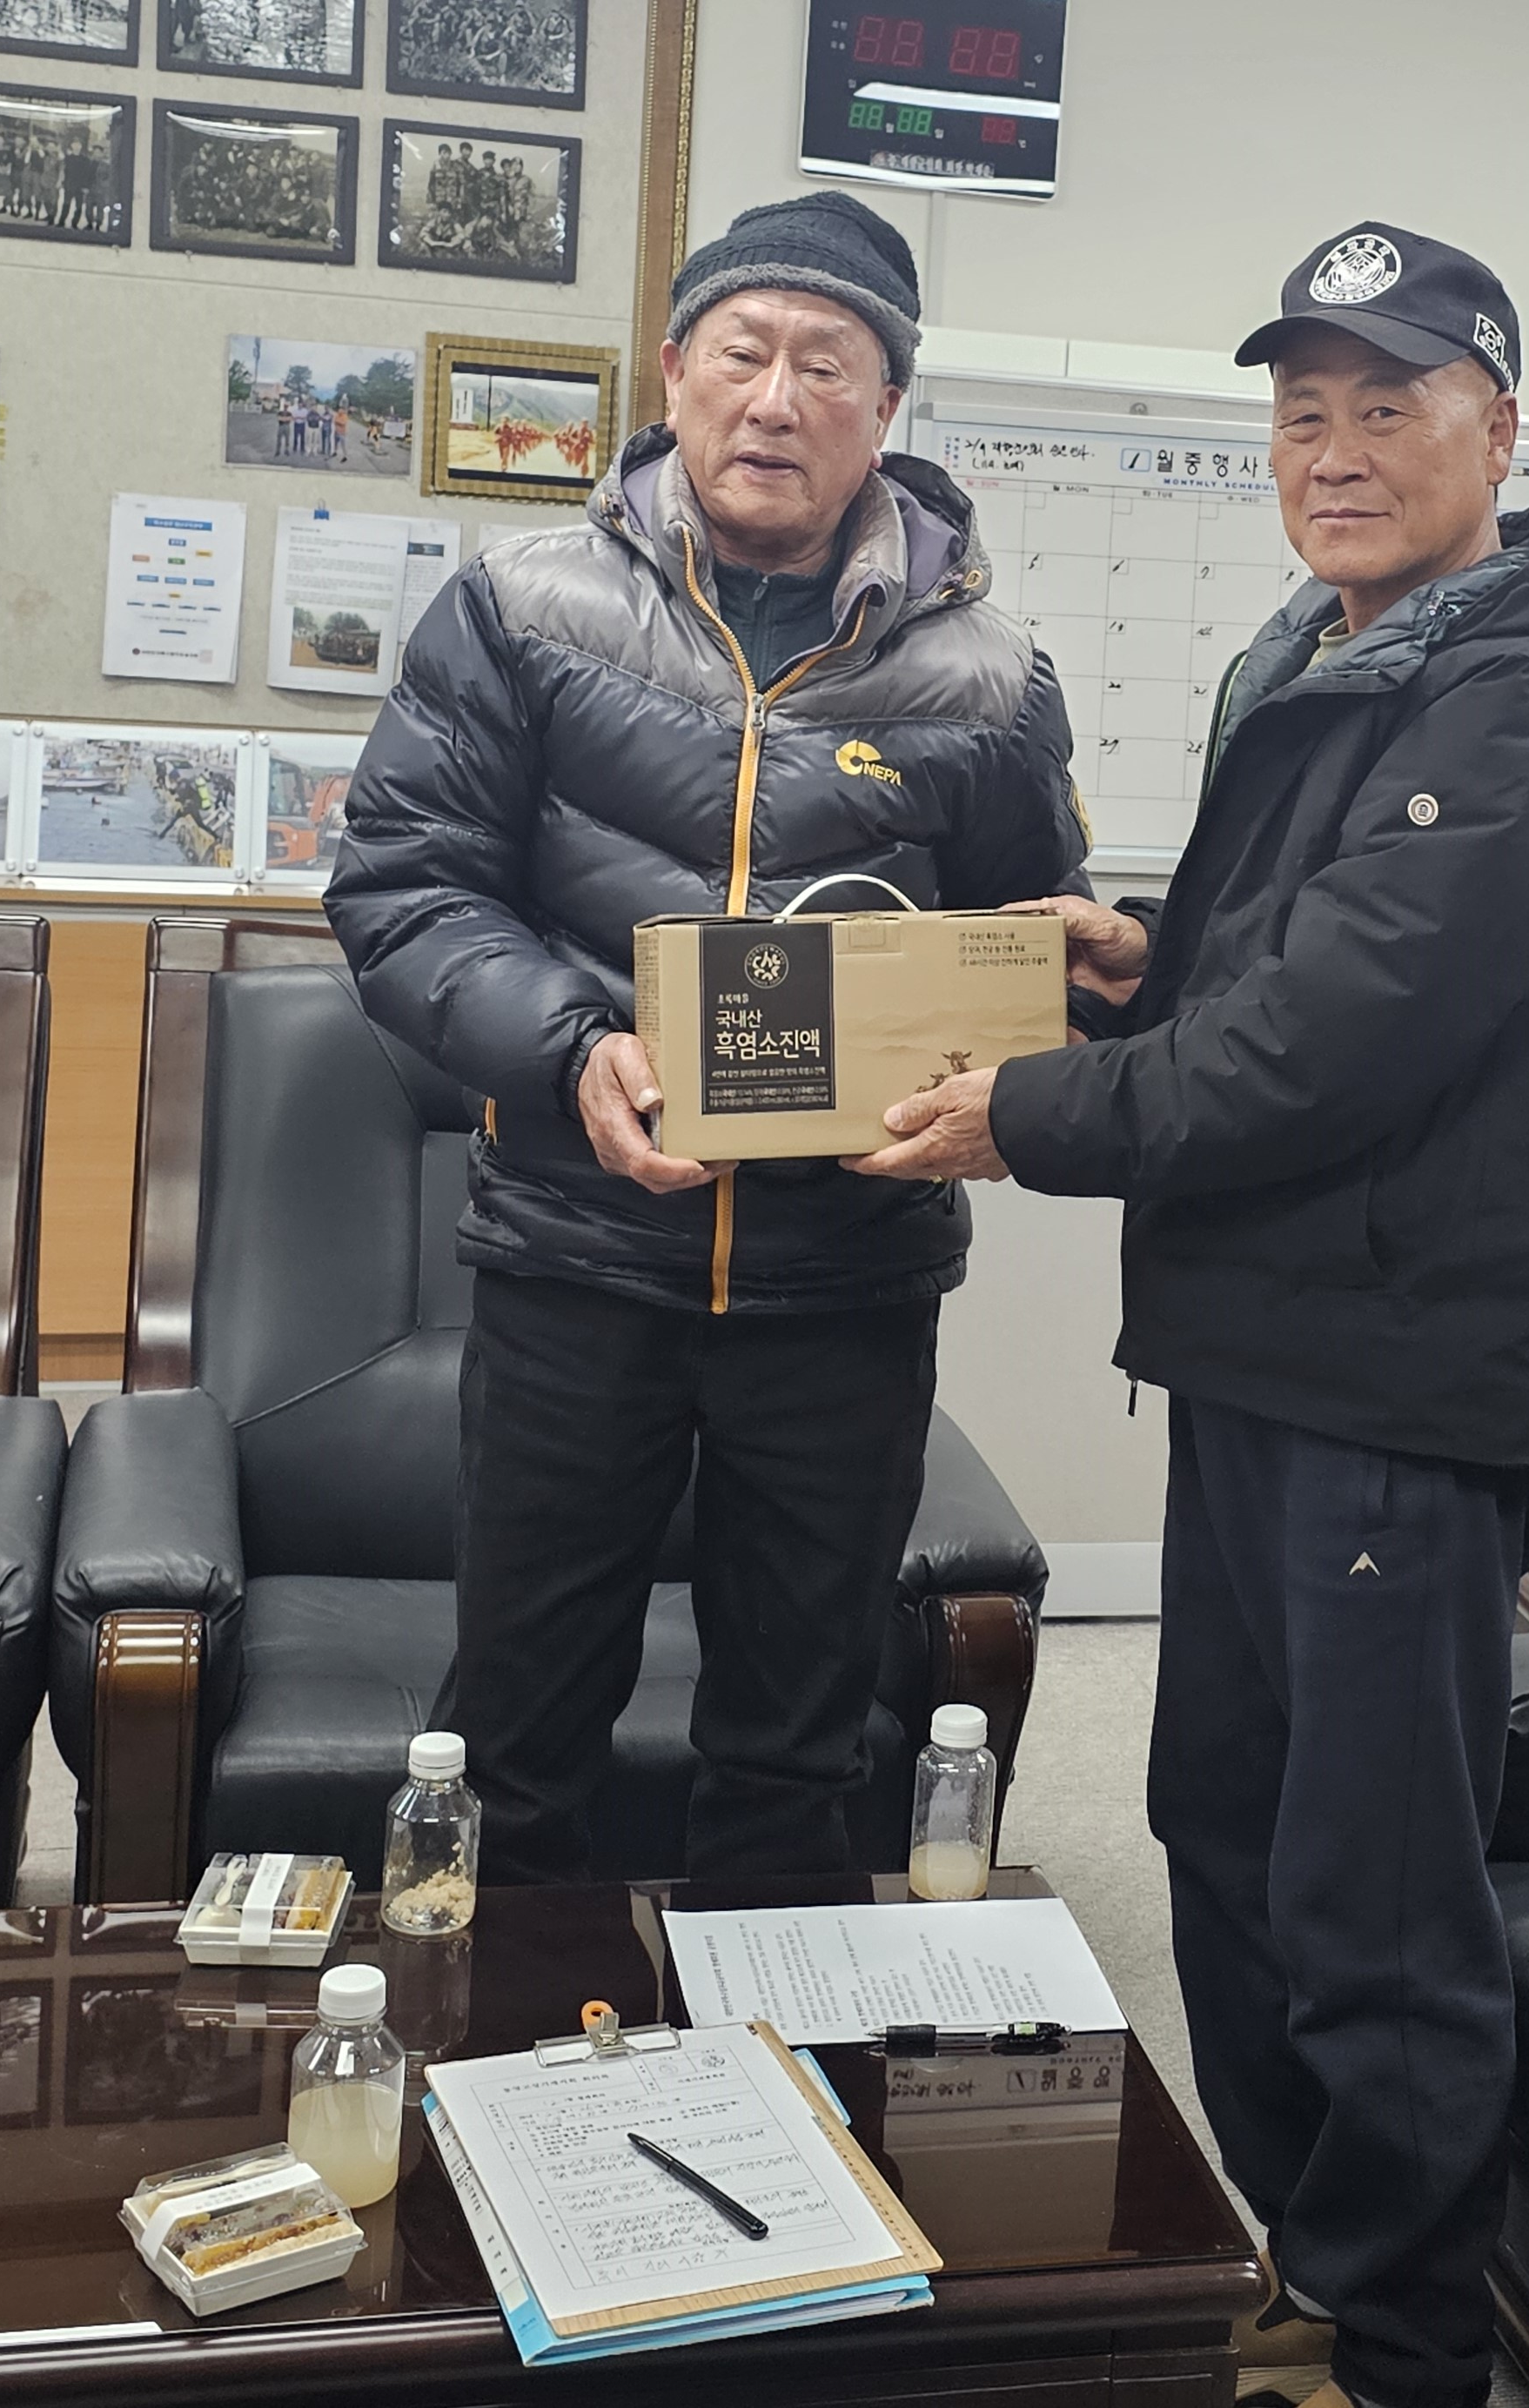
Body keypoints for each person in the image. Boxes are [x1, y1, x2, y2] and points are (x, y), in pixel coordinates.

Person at [852, 223, 1529, 2408]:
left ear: (1499, 432)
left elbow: (1344, 1033)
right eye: (1303, 412)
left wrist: (1027, 1110)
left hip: (1403, 1376)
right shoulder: (1335, 653)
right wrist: (1150, 961)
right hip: (1262, 1344)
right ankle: (1311, 2260)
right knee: (1221, 1826)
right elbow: (1290, 966)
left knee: (1370, 1891)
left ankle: (1403, 2342)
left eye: (1389, 406)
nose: (1336, 451)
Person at [324, 191, 1087, 1884]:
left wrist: (1008, 1077)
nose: (777, 400)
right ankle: (509, 2047)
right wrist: (571, 1048)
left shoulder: (990, 674)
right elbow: (403, 890)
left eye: (828, 365)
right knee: (517, 1729)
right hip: (578, 1253)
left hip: (848, 1280)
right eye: (744, 353)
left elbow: (1033, 939)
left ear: (888, 408)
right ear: (672, 371)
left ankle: (773, 2044)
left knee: (801, 1745)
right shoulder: (520, 608)